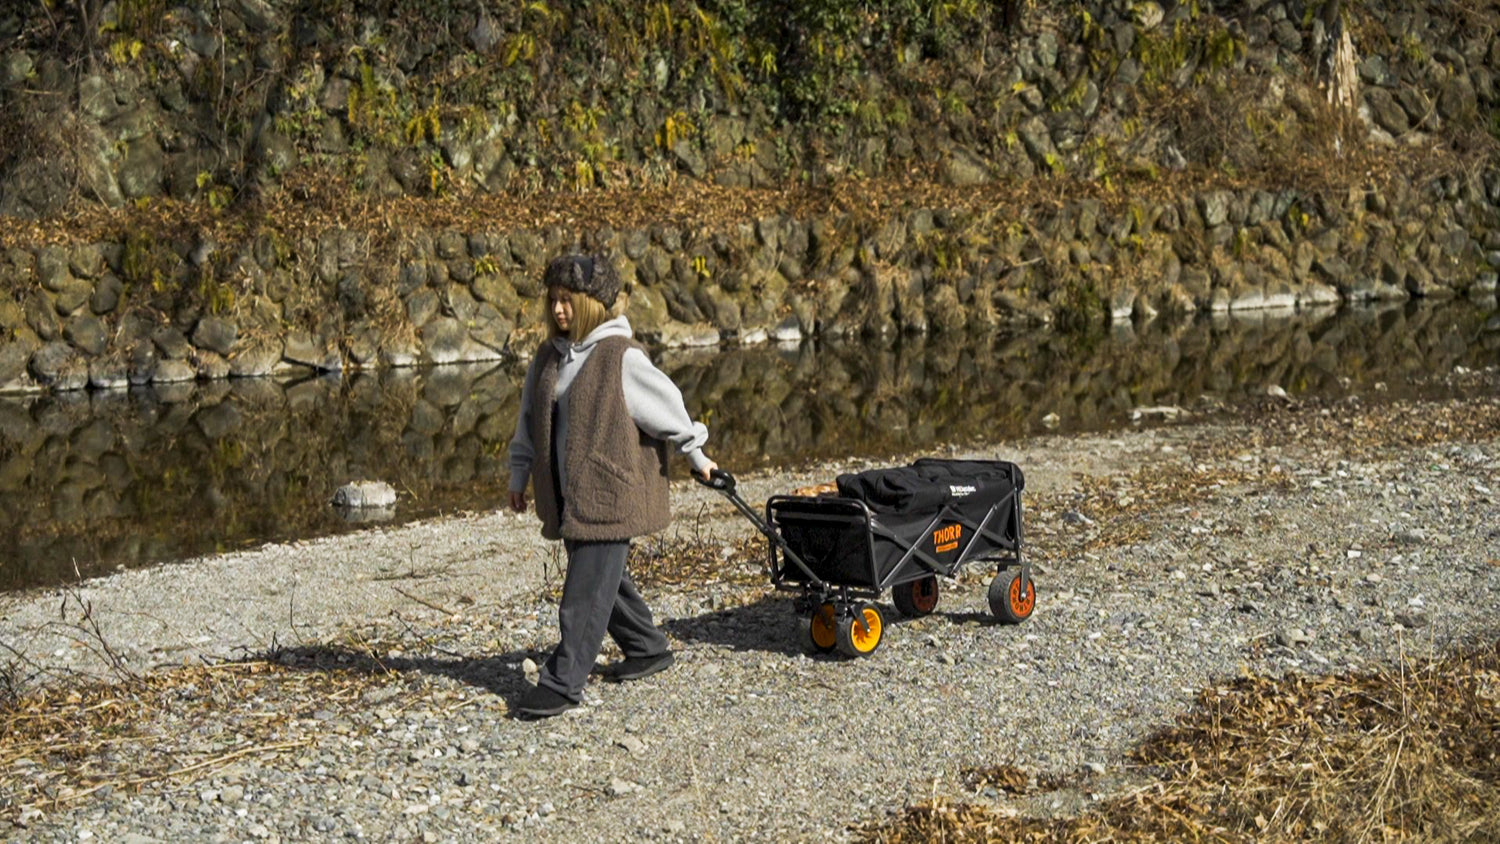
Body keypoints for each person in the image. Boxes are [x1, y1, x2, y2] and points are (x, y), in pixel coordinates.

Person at [507, 253, 717, 718]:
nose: (559, 309)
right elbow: (528, 421)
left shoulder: (621, 357)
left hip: (611, 490)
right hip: (568, 495)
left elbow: (670, 411)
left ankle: (563, 682)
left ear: (593, 304)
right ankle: (647, 646)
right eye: (554, 300)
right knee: (604, 577)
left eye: (569, 301)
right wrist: (518, 474)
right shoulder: (549, 357)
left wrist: (698, 458)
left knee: (584, 591)